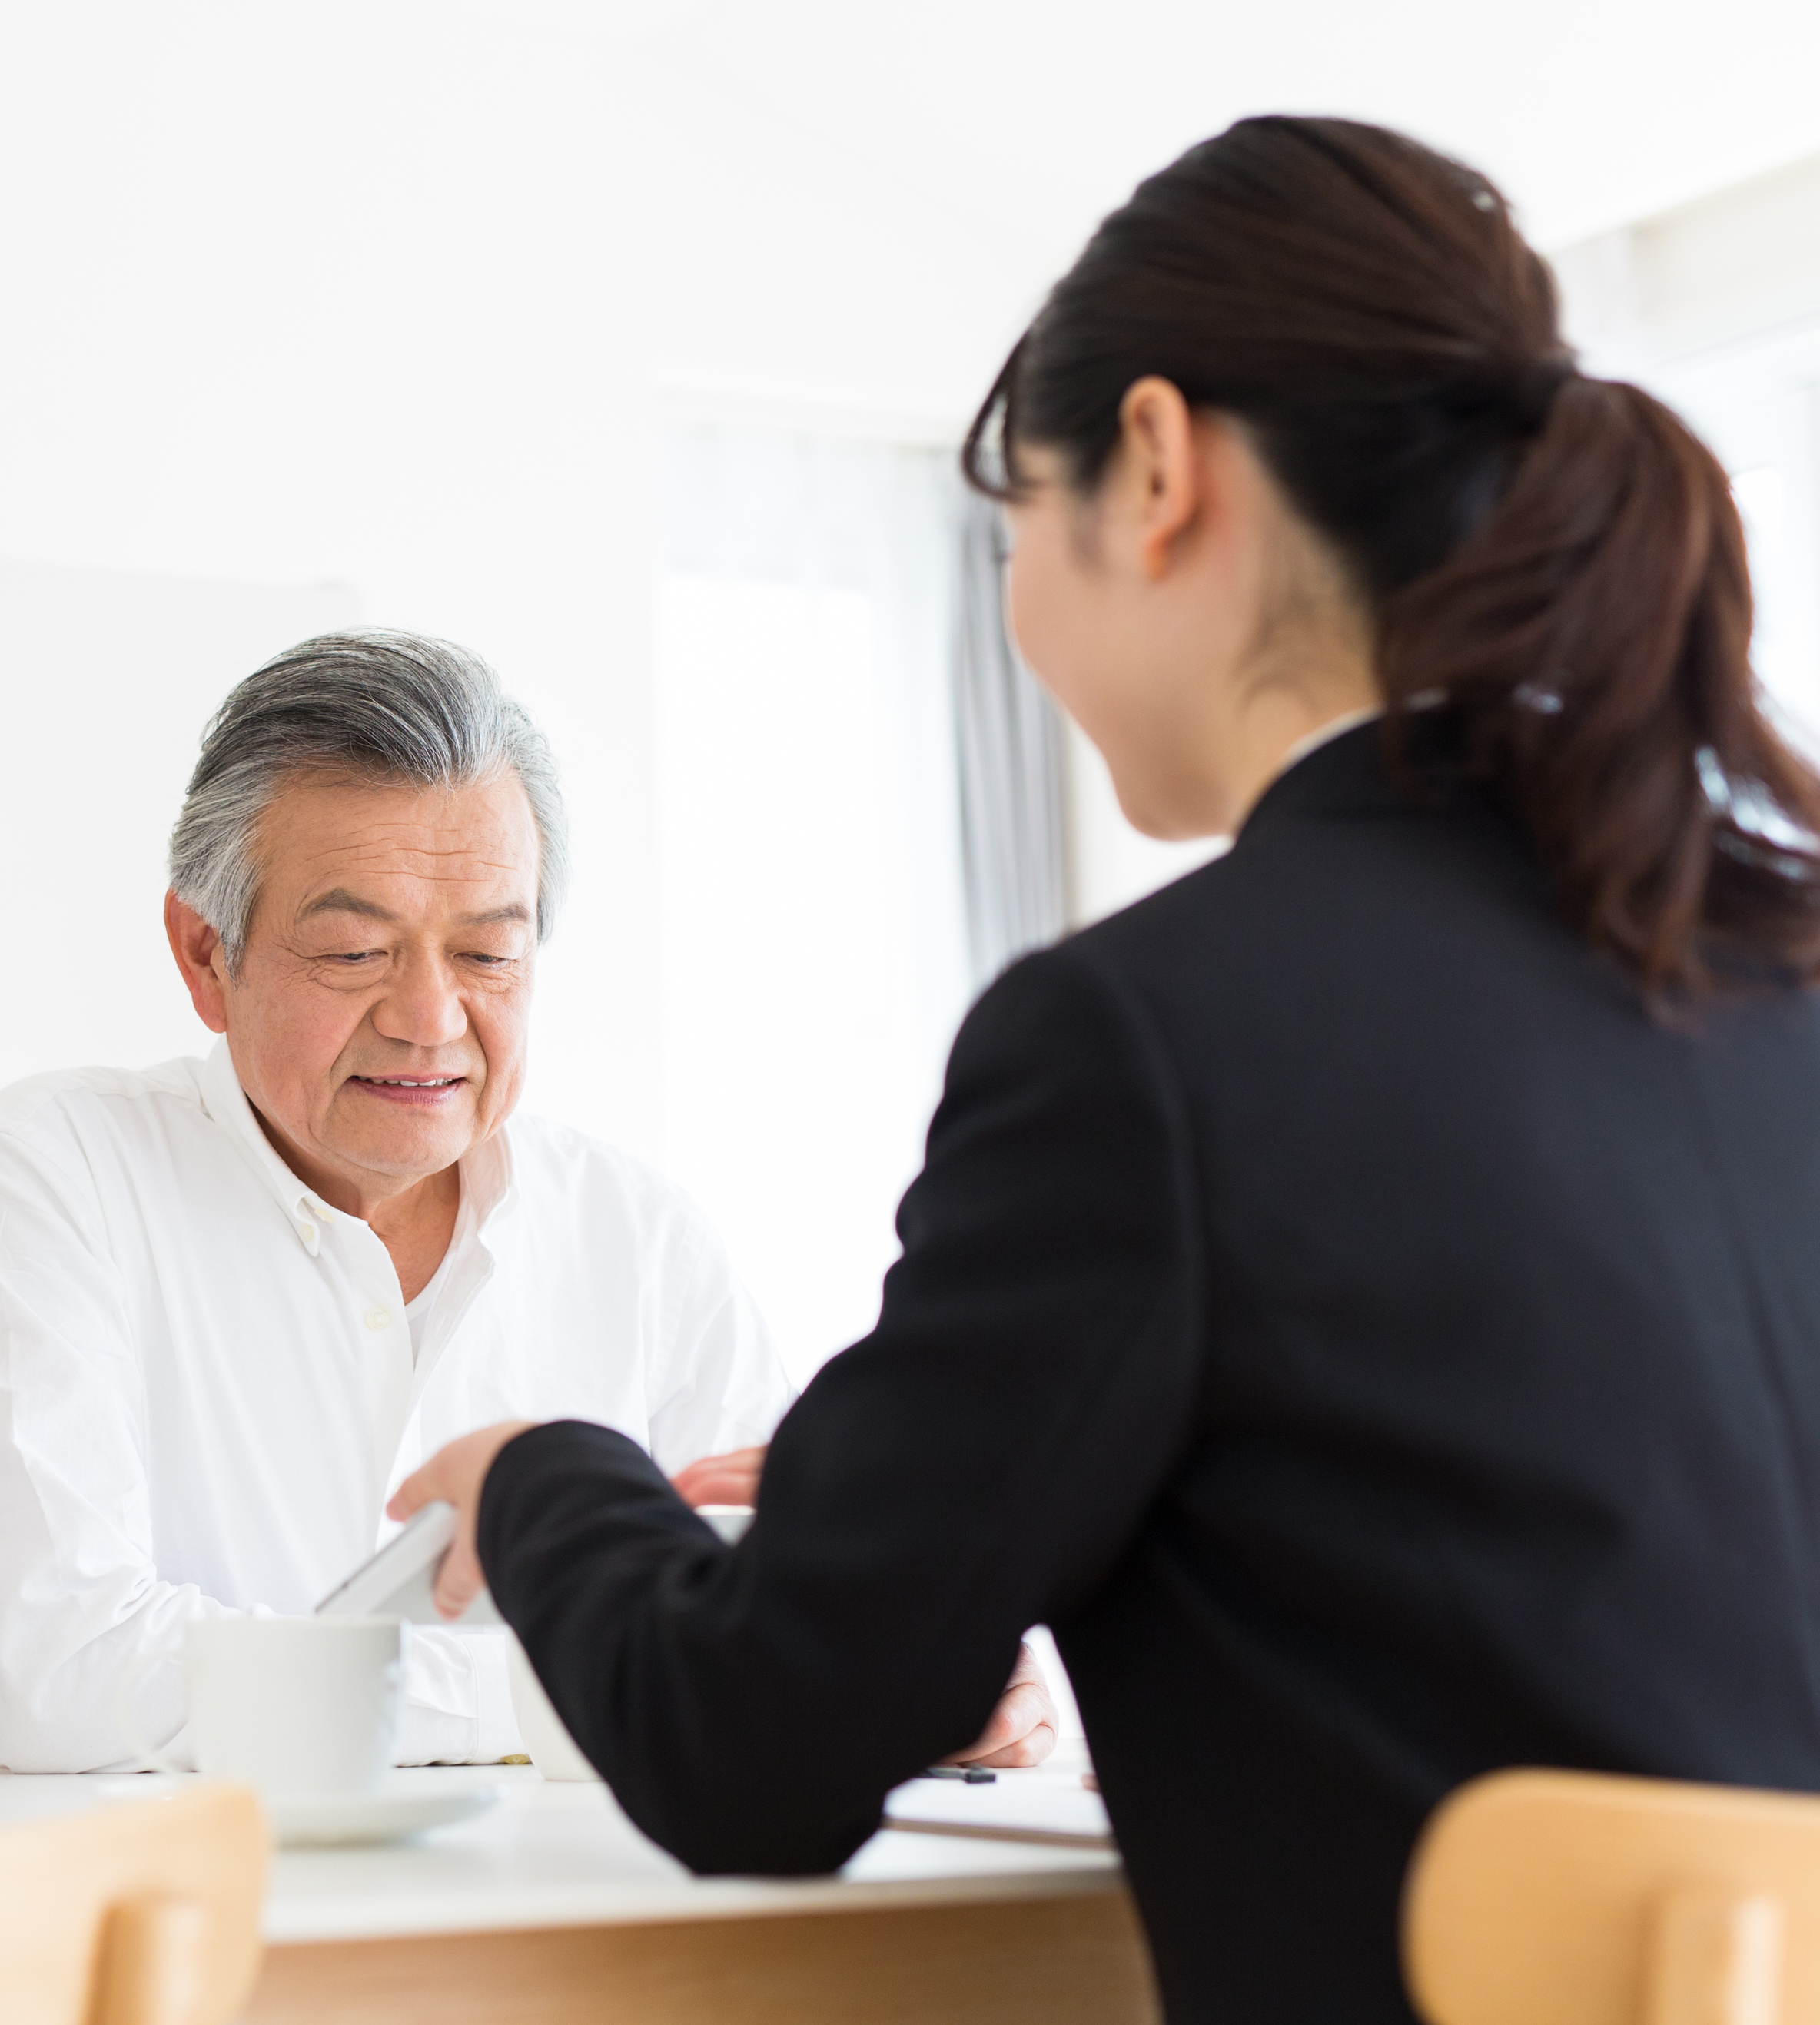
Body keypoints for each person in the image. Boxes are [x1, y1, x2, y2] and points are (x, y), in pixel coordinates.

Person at [394, 115, 1820, 2025]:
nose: (1016, 608)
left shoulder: (1144, 1045)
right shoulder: (1767, 979)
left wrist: (534, 1477)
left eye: (1010, 525)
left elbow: (757, 1744)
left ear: (1151, 467)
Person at [0, 631, 1055, 1774]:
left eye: (489, 955)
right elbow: (58, 1678)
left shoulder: (639, 1237)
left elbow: (806, 1616)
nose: (429, 1017)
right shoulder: (57, 1170)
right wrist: (618, 1672)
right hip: (188, 1931)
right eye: (357, 951)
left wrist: (947, 1671)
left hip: (582, 1932)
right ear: (207, 955)